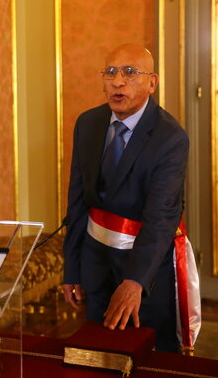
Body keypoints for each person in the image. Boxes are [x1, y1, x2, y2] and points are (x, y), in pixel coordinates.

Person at [62, 43, 198, 353]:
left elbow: (161, 218)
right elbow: (77, 200)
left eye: (130, 72)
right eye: (110, 72)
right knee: (98, 350)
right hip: (95, 262)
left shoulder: (170, 138)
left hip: (146, 268)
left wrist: (135, 281)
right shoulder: (87, 124)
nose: (117, 82)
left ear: (152, 82)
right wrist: (72, 267)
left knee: (148, 354)